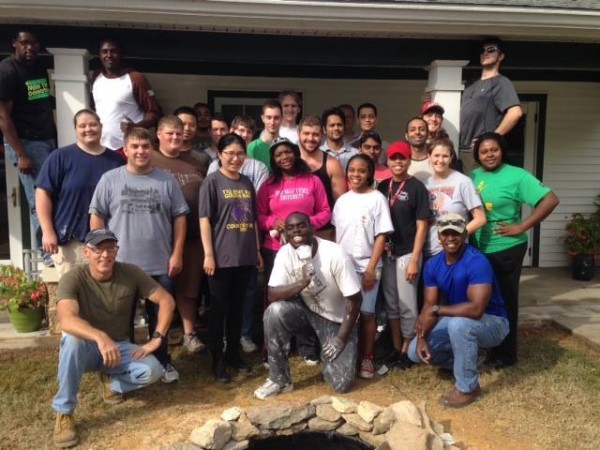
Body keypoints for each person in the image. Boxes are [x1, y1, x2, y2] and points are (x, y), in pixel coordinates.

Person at [51, 228, 175, 448]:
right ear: (86, 252)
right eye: (99, 248)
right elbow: (67, 320)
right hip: (87, 347)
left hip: (119, 347)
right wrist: (100, 337)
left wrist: (157, 338)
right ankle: (64, 413)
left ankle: (112, 381)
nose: (105, 255)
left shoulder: (131, 273)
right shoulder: (73, 278)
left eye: (111, 248)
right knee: (71, 340)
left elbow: (167, 301)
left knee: (153, 370)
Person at [89, 127, 189, 383]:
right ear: (125, 149)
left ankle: (163, 361)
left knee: (161, 316)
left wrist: (177, 253)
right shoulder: (110, 179)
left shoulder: (166, 180)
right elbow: (97, 216)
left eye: (145, 146)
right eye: (135, 146)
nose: (141, 151)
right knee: (123, 320)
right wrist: (101, 252)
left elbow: (179, 218)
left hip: (159, 262)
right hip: (121, 265)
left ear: (152, 148)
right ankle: (124, 365)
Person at [471, 131, 559, 368]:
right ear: (477, 155)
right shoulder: (474, 175)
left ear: (502, 150)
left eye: (494, 150)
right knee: (485, 299)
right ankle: (490, 347)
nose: (489, 155)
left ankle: (506, 355)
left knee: (505, 300)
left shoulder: (517, 176)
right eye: (484, 151)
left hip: (506, 248)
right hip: (479, 247)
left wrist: (522, 225)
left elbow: (550, 199)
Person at [254, 212, 362, 399]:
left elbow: (355, 299)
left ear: (312, 228)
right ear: (285, 233)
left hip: (336, 319)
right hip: (307, 311)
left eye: (301, 226)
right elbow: (272, 294)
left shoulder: (334, 253)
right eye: (290, 228)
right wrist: (301, 283)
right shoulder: (285, 253)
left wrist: (340, 339)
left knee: (341, 383)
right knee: (274, 312)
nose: (296, 231)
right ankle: (279, 379)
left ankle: (327, 353)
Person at [408, 215, 509, 408]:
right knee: (414, 352)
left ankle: (468, 388)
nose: (450, 238)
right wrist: (422, 338)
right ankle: (472, 358)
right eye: (446, 233)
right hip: (459, 320)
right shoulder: (433, 264)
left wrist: (438, 310)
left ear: (464, 234)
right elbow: (429, 306)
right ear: (439, 236)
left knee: (458, 325)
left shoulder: (477, 262)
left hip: (494, 323)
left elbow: (476, 309)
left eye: (455, 233)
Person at [258, 137, 331, 356]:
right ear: (273, 159)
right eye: (278, 154)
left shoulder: (312, 181)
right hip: (276, 248)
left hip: (307, 247)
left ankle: (308, 346)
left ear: (295, 153)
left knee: (309, 292)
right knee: (276, 295)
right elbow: (260, 216)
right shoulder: (268, 185)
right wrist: (273, 222)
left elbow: (326, 211)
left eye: (288, 152)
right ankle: (272, 345)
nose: (284, 157)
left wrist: (306, 226)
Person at [199, 133, 263, 383]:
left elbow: (253, 219)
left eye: (240, 154)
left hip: (245, 256)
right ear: (220, 154)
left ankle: (234, 354)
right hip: (221, 258)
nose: (235, 159)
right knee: (218, 311)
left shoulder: (247, 183)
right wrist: (208, 254)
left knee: (238, 310)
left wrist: (256, 250)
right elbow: (204, 219)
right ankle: (217, 360)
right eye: (230, 154)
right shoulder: (212, 182)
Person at [35, 109, 124, 278]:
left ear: (100, 127)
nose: (88, 129)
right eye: (82, 126)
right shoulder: (60, 157)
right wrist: (47, 231)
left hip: (109, 242)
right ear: (75, 129)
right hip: (71, 242)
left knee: (106, 297)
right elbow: (42, 194)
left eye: (93, 124)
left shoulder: (117, 161)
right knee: (73, 297)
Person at [152, 115, 210, 353]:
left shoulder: (198, 159)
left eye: (178, 133)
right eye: (170, 133)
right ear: (159, 135)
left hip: (194, 235)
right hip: (159, 235)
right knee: (159, 287)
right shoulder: (151, 159)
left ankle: (189, 334)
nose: (175, 137)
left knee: (189, 288)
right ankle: (158, 336)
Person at [332, 154, 393, 379]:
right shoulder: (342, 201)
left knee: (367, 314)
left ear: (369, 174)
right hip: (343, 266)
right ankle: (348, 357)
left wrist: (371, 269)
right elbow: (334, 233)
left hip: (368, 265)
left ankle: (367, 358)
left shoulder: (377, 199)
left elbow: (381, 235)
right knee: (346, 313)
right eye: (352, 170)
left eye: (361, 171)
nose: (356, 175)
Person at [0, 30, 56, 266]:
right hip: (27, 143)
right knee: (38, 200)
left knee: (53, 194)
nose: (30, 48)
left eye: (33, 43)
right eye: (24, 43)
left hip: (47, 139)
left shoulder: (38, 67)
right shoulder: (7, 71)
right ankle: (47, 255)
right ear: (15, 43)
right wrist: (21, 154)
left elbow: (40, 101)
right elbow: (3, 117)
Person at [377, 141, 430, 367]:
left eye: (402, 158)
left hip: (408, 253)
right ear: (387, 161)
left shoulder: (417, 187)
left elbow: (422, 227)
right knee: (391, 303)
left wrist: (415, 260)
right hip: (388, 253)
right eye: (394, 158)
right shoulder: (382, 186)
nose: (398, 162)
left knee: (407, 302)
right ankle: (397, 348)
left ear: (409, 161)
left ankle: (409, 350)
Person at [459, 37, 523, 174]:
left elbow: (515, 112)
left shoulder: (501, 82)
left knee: (479, 193)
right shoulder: (471, 84)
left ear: (501, 56)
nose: (485, 53)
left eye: (491, 50)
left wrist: (492, 137)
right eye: (482, 51)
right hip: (460, 150)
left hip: (479, 153)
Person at [91, 38, 161, 150]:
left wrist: (136, 127)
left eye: (113, 51)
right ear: (99, 55)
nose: (109, 55)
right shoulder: (96, 76)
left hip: (129, 148)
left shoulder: (135, 78)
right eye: (104, 51)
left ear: (121, 54)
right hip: (102, 147)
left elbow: (154, 113)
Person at [424, 137, 487, 259]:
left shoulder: (463, 182)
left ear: (451, 157)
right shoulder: (425, 184)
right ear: (429, 157)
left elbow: (480, 218)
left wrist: (457, 237)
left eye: (445, 156)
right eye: (436, 155)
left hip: (454, 252)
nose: (440, 160)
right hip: (427, 251)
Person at [297, 115, 346, 240]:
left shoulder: (332, 164)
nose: (310, 138)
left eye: (315, 134)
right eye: (306, 133)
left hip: (324, 232)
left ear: (322, 135)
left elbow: (341, 204)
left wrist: (337, 233)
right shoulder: (290, 162)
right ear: (298, 133)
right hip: (295, 230)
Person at [248, 99, 283, 170]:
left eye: (276, 118)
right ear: (263, 118)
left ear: (281, 118)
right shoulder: (253, 147)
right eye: (269, 117)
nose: (272, 122)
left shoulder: (288, 146)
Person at [320, 107, 357, 172]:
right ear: (324, 129)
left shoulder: (355, 154)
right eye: (332, 125)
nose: (336, 128)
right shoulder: (318, 153)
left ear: (344, 127)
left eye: (339, 125)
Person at [405, 117, 433, 184]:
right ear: (406, 136)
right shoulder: (402, 161)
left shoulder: (436, 160)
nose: (417, 132)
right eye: (412, 130)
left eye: (422, 129)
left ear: (428, 134)